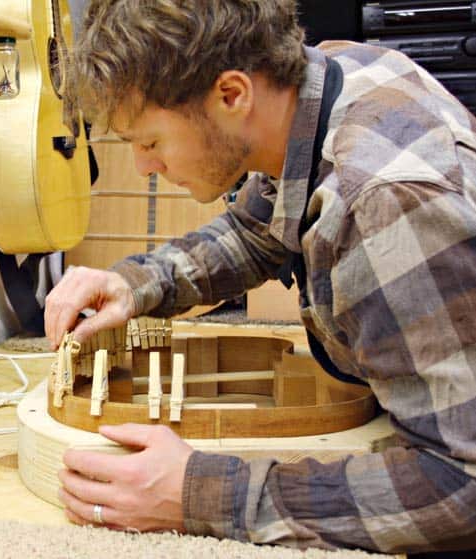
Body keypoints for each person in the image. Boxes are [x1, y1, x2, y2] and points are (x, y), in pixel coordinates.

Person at [42, 0, 476, 554]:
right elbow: (260, 231)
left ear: (231, 95)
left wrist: (204, 496)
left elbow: (459, 486)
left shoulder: (380, 203)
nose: (143, 168)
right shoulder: (332, 80)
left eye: (150, 142)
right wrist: (137, 282)